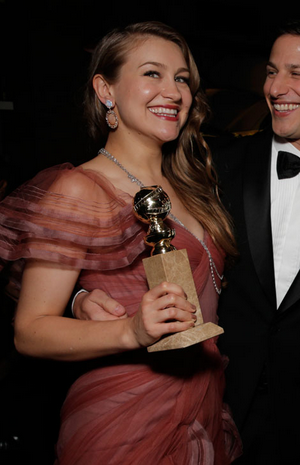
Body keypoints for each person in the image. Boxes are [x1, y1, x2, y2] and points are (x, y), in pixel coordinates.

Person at [75, 15, 300, 464]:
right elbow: (101, 225)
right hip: (204, 404)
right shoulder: (210, 166)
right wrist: (82, 294)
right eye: (272, 71)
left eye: (296, 73)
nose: (276, 87)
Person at [0, 21, 241, 464]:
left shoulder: (192, 185)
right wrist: (129, 330)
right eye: (152, 73)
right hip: (125, 418)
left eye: (182, 78)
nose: (173, 91)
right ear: (105, 89)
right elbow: (29, 332)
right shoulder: (80, 188)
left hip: (204, 404)